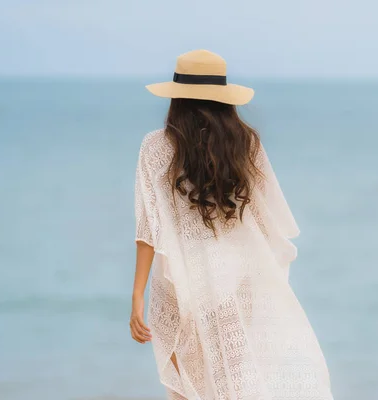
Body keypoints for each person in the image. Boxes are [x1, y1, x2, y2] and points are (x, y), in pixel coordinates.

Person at [130, 49, 333, 400]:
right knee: (235, 382)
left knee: (186, 389)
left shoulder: (155, 147)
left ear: (176, 98)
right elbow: (266, 222)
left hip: (180, 283)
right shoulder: (245, 144)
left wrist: (137, 293)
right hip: (237, 280)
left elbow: (149, 229)